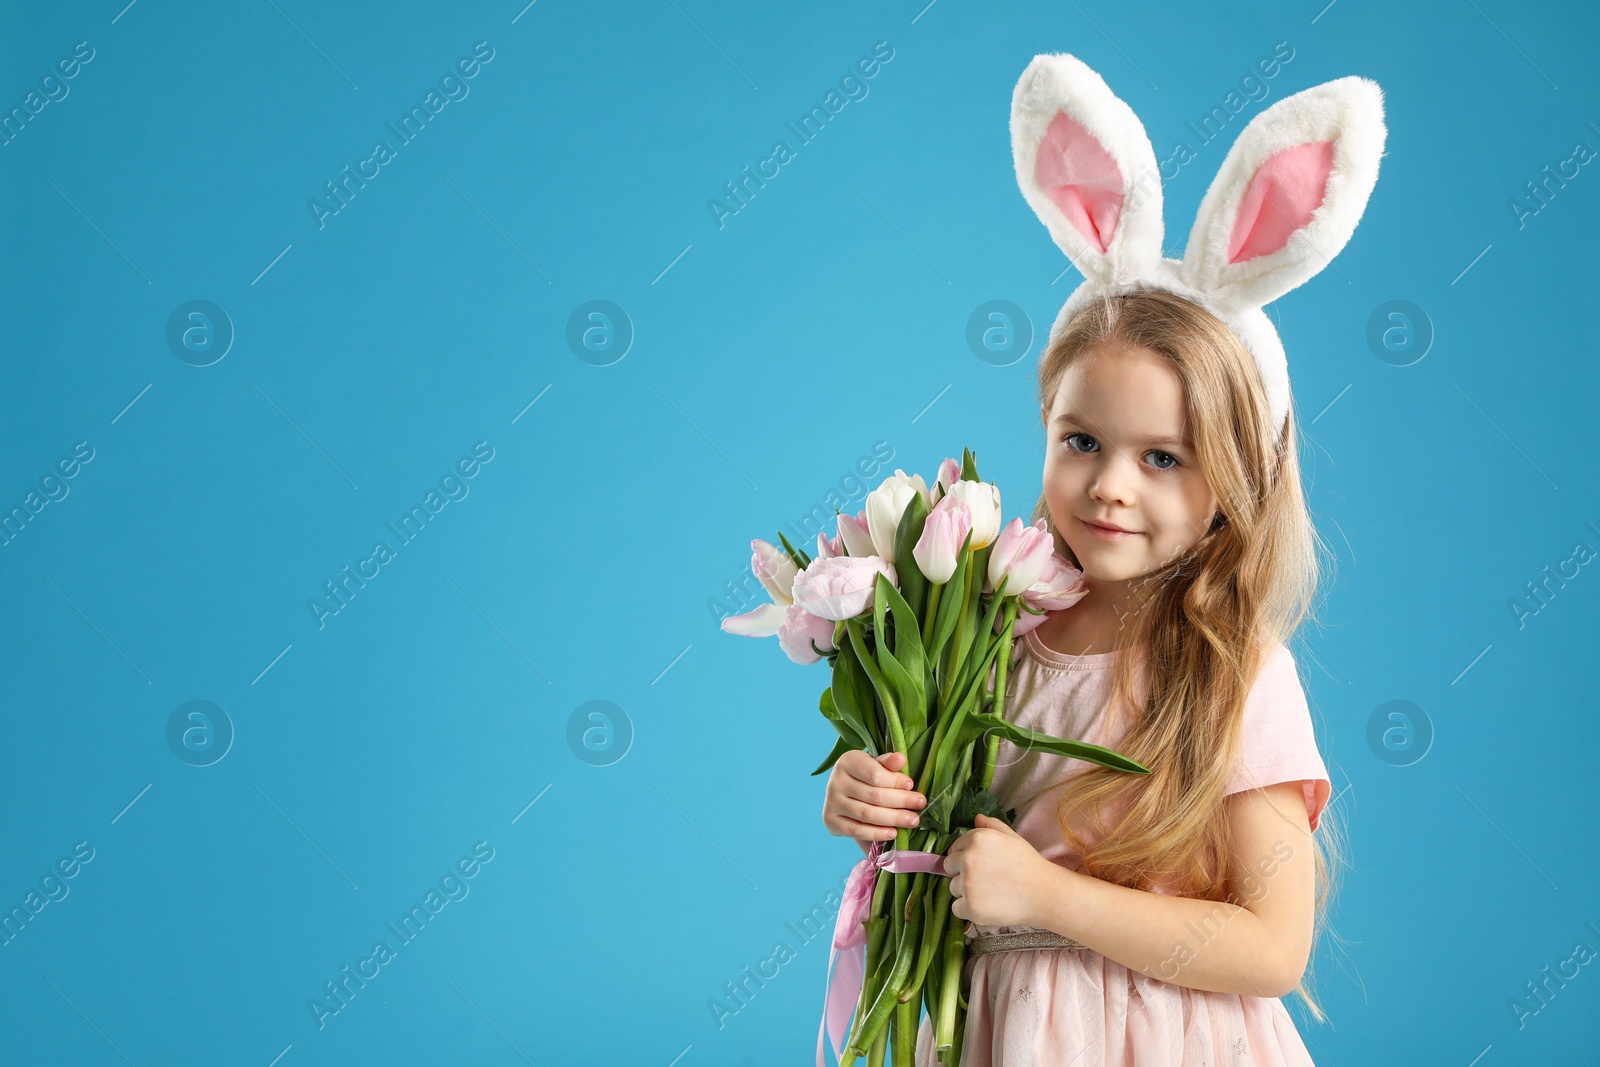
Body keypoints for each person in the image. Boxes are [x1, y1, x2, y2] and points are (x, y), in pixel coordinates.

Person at [822, 49, 1386, 1065]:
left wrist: (1047, 896)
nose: (1109, 484)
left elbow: (1272, 944)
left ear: (1233, 480)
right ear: (1043, 424)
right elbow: (943, 825)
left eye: (1162, 457)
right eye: (1082, 440)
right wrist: (868, 793)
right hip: (998, 1028)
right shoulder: (991, 631)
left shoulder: (1231, 669)